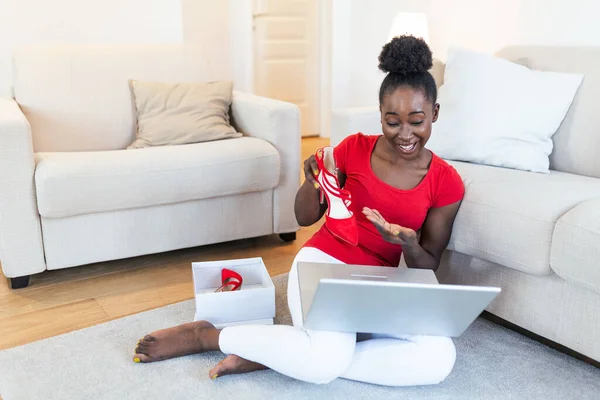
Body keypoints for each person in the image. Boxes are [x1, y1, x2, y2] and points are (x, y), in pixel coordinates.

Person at [132, 35, 465, 387]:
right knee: (323, 363)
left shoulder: (446, 182)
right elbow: (304, 217)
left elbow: (427, 265)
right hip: (322, 266)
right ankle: (209, 336)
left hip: (375, 286)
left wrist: (408, 243)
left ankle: (279, 354)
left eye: (417, 120)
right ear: (380, 116)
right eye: (392, 121)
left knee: (439, 358)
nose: (405, 134)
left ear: (435, 114)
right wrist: (312, 181)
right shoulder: (352, 150)